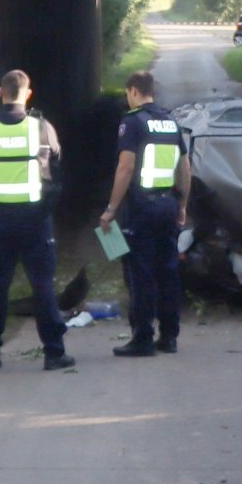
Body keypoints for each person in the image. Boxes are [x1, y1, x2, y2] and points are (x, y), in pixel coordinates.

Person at [0, 70, 74, 372]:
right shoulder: (42, 127)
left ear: (0, 92)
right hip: (35, 219)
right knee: (43, 285)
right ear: (27, 94)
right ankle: (54, 353)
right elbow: (57, 167)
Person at [99, 71, 190, 357]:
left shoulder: (133, 122)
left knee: (141, 274)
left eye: (128, 94)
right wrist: (183, 204)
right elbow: (185, 168)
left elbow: (126, 167)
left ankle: (143, 338)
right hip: (167, 206)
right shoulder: (171, 122)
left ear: (134, 91)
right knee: (168, 271)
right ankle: (170, 336)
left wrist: (111, 208)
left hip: (141, 208)